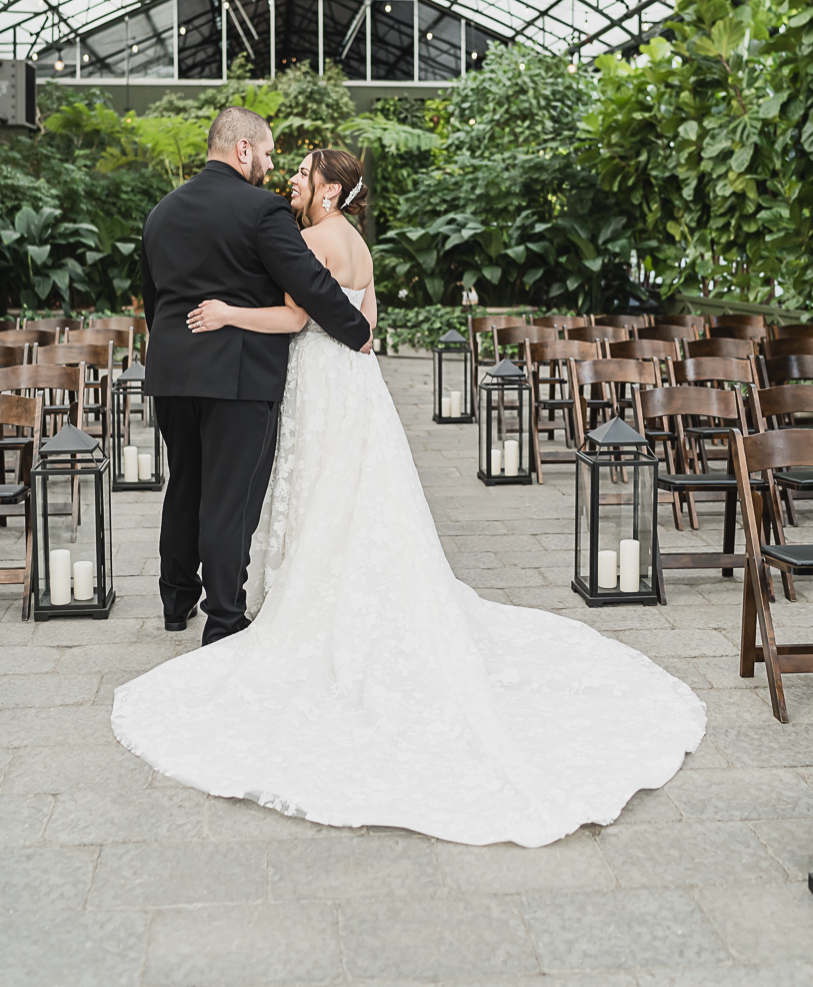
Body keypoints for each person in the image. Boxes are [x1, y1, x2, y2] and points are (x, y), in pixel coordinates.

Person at [114, 147, 706, 847]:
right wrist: (357, 329)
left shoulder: (251, 226)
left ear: (330, 190)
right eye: (284, 165)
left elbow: (297, 314)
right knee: (337, 491)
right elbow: (347, 308)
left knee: (244, 489)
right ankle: (266, 599)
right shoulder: (347, 238)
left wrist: (231, 313)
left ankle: (206, 600)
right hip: (346, 389)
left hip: (269, 374)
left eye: (302, 173)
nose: (288, 179)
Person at [139, 108, 370, 646]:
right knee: (229, 498)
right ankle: (223, 618)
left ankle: (176, 601)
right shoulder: (262, 210)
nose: (270, 165)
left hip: (174, 372)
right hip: (238, 376)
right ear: (243, 150)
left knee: (185, 485)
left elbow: (155, 302)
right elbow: (309, 283)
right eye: (266, 154)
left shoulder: (161, 212)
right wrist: (356, 330)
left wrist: (176, 349)